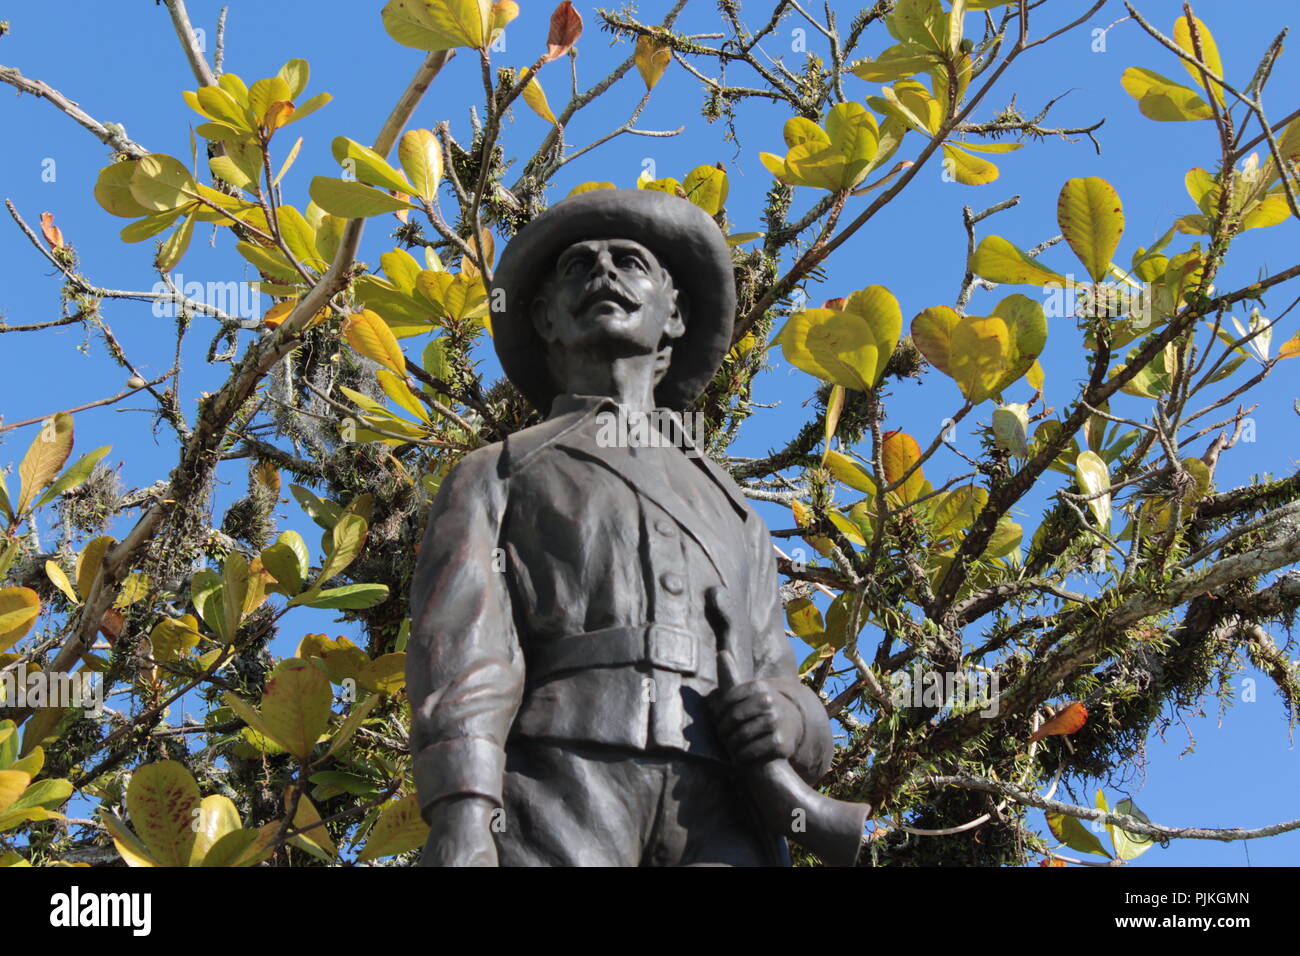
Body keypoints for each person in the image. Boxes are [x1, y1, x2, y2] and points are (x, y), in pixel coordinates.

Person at [407, 188, 834, 866]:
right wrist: (463, 808)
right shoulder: (502, 470)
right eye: (578, 266)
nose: (603, 273)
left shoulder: (735, 511)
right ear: (545, 318)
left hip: (720, 809)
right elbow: (465, 650)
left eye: (631, 261)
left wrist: (792, 718)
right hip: (559, 781)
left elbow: (777, 670)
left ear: (675, 313)